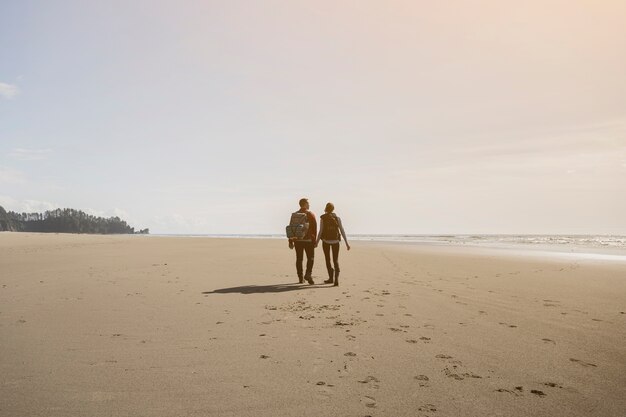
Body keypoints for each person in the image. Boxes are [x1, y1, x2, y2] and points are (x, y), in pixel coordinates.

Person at [315, 202, 350, 286]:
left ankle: (331, 278)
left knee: (328, 260)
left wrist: (316, 242)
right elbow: (342, 230)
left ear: (326, 209)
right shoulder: (337, 218)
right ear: (333, 209)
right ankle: (336, 279)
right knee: (335, 260)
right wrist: (346, 243)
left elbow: (320, 231)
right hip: (336, 241)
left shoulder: (323, 218)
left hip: (326, 241)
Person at [290, 198, 317, 285]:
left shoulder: (294, 215)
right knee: (311, 258)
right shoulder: (310, 214)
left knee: (299, 259)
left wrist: (290, 241)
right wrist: (314, 240)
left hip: (297, 240)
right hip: (308, 240)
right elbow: (314, 228)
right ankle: (308, 274)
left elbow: (291, 228)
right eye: (308, 203)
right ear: (304, 204)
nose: (309, 204)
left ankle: (301, 278)